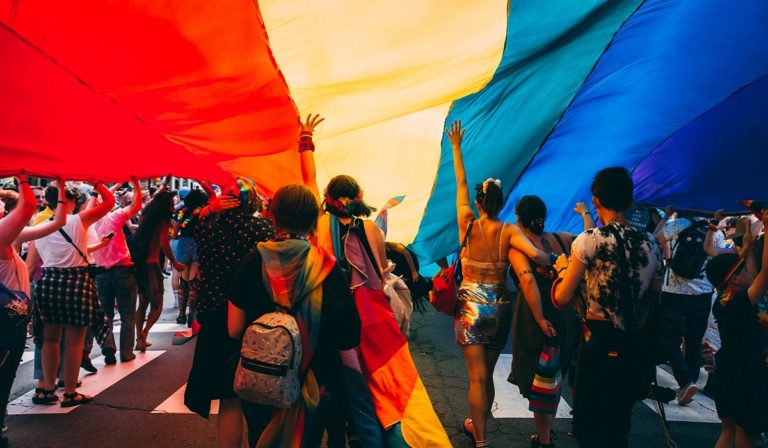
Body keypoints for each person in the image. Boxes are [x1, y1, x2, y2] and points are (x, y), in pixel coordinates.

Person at [228, 184, 362, 447]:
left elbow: (234, 329)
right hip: (313, 385)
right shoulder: (327, 268)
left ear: (272, 217)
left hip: (260, 381)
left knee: (260, 437)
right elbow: (347, 336)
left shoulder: (253, 260)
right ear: (314, 221)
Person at [445, 121, 549, 448]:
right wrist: (552, 261)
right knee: (486, 376)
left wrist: (457, 147)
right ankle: (478, 427)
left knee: (475, 378)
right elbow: (538, 256)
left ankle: (481, 439)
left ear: (479, 202)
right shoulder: (509, 231)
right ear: (502, 203)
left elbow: (460, 181)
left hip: (470, 303)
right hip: (499, 306)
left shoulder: (467, 222)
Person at [552, 167, 663, 448]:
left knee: (590, 426)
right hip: (633, 344)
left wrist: (563, 269)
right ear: (629, 201)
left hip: (597, 344)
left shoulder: (590, 240)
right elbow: (654, 294)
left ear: (596, 201)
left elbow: (562, 298)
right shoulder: (650, 244)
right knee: (618, 425)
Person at [184, 178, 274, 448]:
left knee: (229, 399)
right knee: (262, 397)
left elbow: (185, 228)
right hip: (253, 320)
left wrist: (210, 209)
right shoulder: (262, 228)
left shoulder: (208, 227)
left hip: (215, 319)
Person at [508, 196, 586, 448]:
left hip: (536, 316)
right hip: (565, 314)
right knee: (554, 377)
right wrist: (585, 213)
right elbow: (589, 238)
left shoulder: (519, 246)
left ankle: (544, 441)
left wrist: (540, 318)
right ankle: (546, 433)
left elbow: (528, 281)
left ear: (519, 218)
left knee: (541, 379)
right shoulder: (563, 239)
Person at [34, 181, 115, 407]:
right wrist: (95, 182)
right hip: (77, 281)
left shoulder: (39, 226)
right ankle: (70, 392)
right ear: (68, 200)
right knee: (74, 342)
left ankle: (47, 390)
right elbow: (110, 202)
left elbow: (34, 262)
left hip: (48, 280)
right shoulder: (78, 220)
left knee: (49, 339)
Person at [0, 174, 66, 446]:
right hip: (3, 324)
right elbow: (27, 208)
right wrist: (23, 176)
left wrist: (61, 187)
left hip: (11, 322)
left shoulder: (9, 237)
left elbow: (58, 222)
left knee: (6, 376)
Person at [705, 212, 768, 448]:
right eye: (743, 271)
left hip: (727, 371)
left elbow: (745, 270)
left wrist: (749, 247)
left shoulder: (724, 299)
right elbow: (764, 272)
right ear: (735, 280)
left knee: (728, 431)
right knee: (744, 433)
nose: (749, 272)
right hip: (745, 373)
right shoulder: (740, 302)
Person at [655, 207, 725, 405]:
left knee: (669, 339)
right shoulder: (716, 232)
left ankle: (685, 382)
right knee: (693, 342)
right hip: (703, 293)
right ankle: (690, 383)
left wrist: (667, 216)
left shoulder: (677, 224)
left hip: (674, 293)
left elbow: (655, 238)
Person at [90, 178, 144, 363]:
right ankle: (126, 353)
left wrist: (105, 188)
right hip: (123, 270)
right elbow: (137, 205)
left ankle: (108, 346)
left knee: (106, 314)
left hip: (101, 274)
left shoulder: (87, 223)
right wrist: (136, 184)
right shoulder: (115, 216)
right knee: (128, 315)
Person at [132, 191, 184, 351]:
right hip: (152, 265)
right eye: (172, 203)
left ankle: (138, 338)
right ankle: (144, 333)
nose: (173, 206)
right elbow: (164, 242)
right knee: (157, 304)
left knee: (142, 303)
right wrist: (174, 262)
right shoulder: (162, 220)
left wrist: (166, 185)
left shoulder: (145, 217)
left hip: (139, 265)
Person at [169, 186, 209, 325]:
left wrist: (174, 237)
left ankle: (181, 315)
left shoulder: (181, 212)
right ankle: (192, 315)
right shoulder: (203, 213)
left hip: (183, 243)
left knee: (183, 281)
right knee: (194, 282)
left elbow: (175, 232)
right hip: (198, 244)